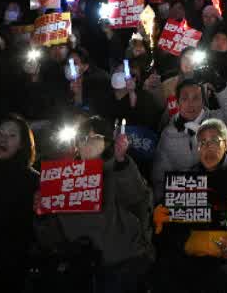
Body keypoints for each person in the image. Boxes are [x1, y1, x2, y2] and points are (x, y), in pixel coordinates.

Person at [34, 116, 154, 293]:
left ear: (106, 142)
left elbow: (139, 199)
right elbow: (50, 235)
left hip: (122, 264)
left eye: (95, 137)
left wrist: (122, 163)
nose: (87, 143)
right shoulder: (62, 178)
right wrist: (42, 211)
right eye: (82, 138)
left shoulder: (120, 168)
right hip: (78, 267)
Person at [153, 118, 227, 293]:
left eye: (214, 140)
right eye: (202, 142)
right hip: (188, 268)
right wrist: (162, 219)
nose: (208, 147)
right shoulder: (187, 181)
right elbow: (172, 235)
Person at [151, 75, 227, 199]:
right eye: (185, 99)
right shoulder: (168, 136)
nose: (190, 104)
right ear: (178, 103)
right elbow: (159, 179)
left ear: (203, 101)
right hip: (186, 205)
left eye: (196, 98)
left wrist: (220, 86)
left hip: (218, 198)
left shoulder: (215, 121)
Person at [0, 115, 39, 293]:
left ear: (22, 144)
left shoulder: (33, 180)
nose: (2, 139)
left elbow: (28, 232)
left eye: (11, 135)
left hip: (9, 274)